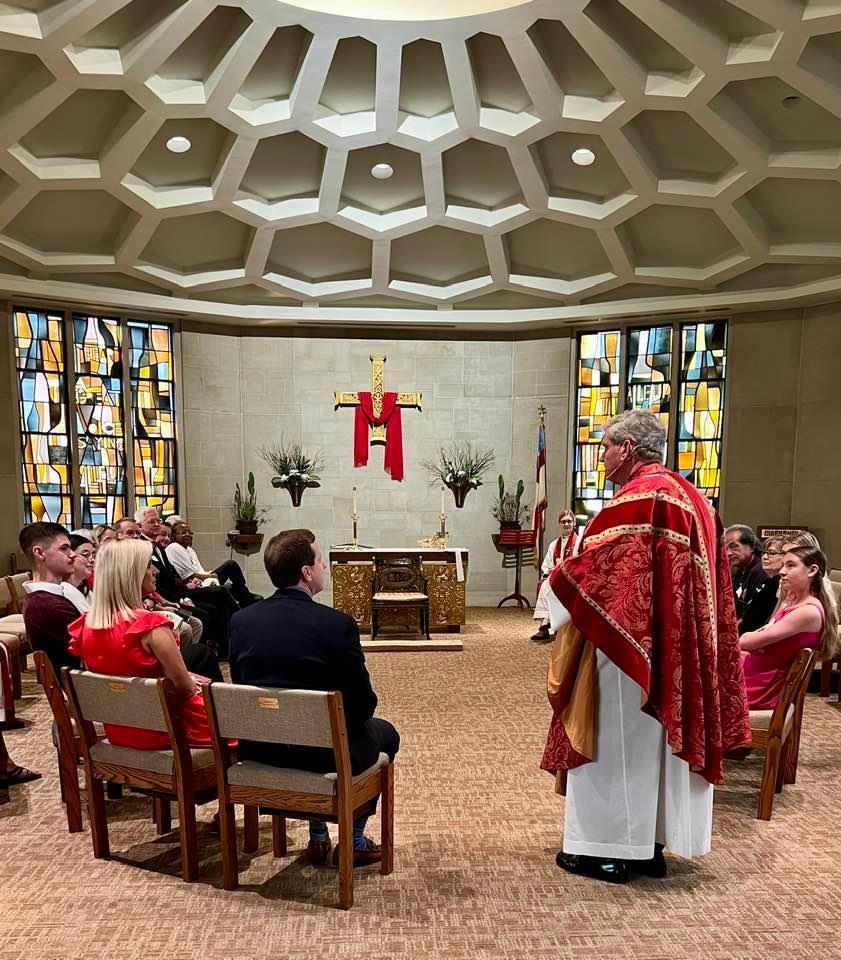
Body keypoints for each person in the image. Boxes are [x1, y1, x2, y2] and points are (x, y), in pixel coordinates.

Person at [542, 410, 750, 884]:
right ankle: (651, 844)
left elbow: (600, 574)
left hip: (626, 647)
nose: (602, 456)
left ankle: (610, 850)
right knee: (657, 745)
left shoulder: (636, 501)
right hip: (680, 648)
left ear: (628, 449)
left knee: (618, 742)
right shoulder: (694, 498)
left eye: (606, 446)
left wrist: (554, 585)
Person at [228, 528, 400, 868]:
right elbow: (363, 703)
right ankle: (354, 841)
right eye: (321, 560)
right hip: (324, 756)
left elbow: (241, 686)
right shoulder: (335, 625)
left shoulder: (241, 621)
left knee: (322, 730)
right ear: (307, 572)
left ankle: (318, 837)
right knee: (386, 734)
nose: (324, 566)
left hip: (262, 749)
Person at [67, 539, 221, 749]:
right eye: (148, 565)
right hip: (170, 731)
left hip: (120, 729)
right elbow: (184, 690)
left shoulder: (86, 624)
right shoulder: (150, 626)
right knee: (243, 721)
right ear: (132, 574)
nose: (155, 571)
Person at [740, 543, 839, 709]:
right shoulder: (792, 601)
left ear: (812, 570)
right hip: (756, 673)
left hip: (761, 686)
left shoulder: (807, 611)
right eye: (783, 565)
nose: (782, 571)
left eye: (790, 565)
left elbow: (745, 641)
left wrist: (752, 640)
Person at [19, 523, 82, 673]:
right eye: (64, 548)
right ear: (40, 553)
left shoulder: (47, 598)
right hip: (80, 681)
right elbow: (92, 645)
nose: (73, 554)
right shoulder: (46, 604)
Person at [167, 521, 258, 607]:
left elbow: (199, 571)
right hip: (193, 586)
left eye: (190, 532)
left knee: (231, 566)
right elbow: (189, 576)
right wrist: (212, 576)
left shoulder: (190, 550)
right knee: (228, 574)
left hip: (203, 580)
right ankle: (245, 601)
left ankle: (245, 596)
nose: (188, 534)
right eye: (183, 532)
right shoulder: (174, 547)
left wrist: (209, 574)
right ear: (174, 536)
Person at [531, 510, 580, 643]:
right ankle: (545, 624)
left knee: (548, 586)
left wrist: (566, 569)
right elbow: (546, 565)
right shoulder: (554, 544)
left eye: (569, 521)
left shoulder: (579, 542)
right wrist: (552, 570)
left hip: (573, 579)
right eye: (563, 522)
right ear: (559, 524)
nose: (566, 524)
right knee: (545, 584)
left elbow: (581, 563)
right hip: (556, 577)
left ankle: (545, 624)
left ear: (574, 523)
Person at [725, 524, 772, 634]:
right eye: (725, 548)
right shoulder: (738, 570)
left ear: (751, 547)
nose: (728, 553)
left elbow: (754, 616)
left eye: (734, 547)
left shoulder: (761, 571)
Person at [64, 533, 95, 613]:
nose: (92, 560)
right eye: (85, 554)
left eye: (93, 555)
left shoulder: (86, 590)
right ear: (70, 556)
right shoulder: (64, 590)